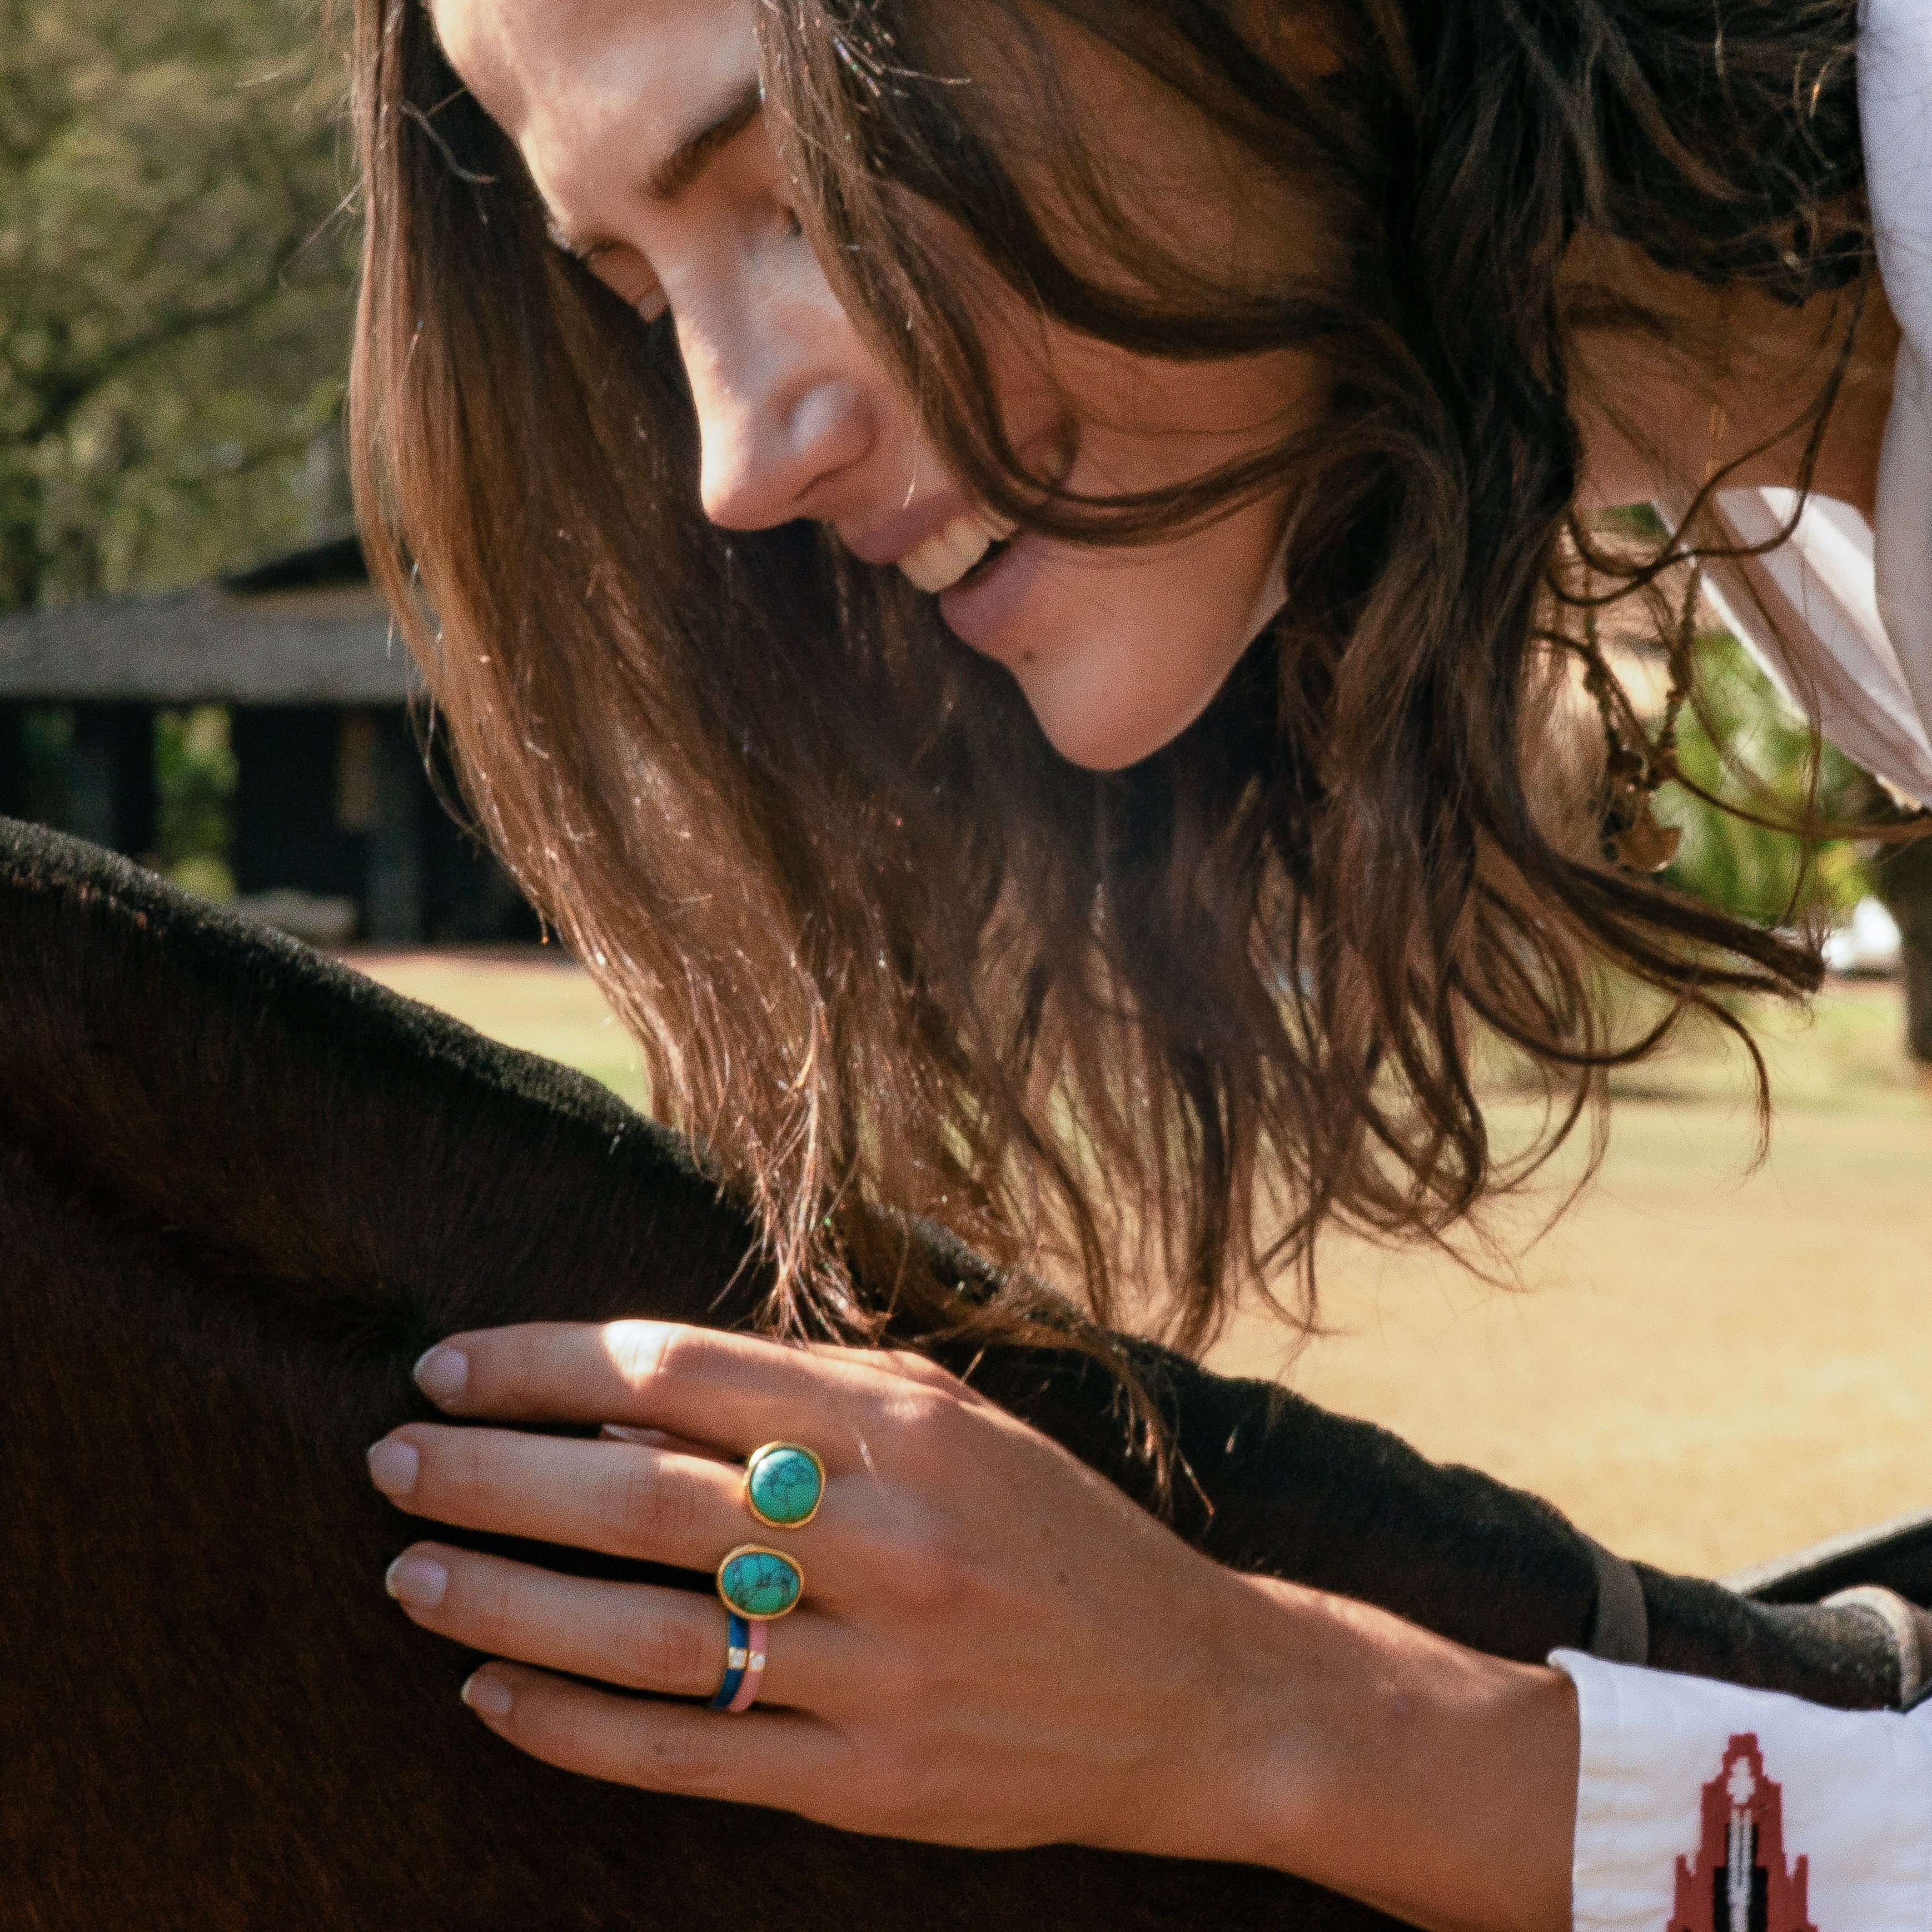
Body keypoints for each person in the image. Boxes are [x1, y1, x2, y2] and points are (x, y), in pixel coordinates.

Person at [346, 1, 1932, 1925]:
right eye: (636, 289)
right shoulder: (1810, 513)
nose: (734, 459)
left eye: (799, 188)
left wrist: (1259, 1719)